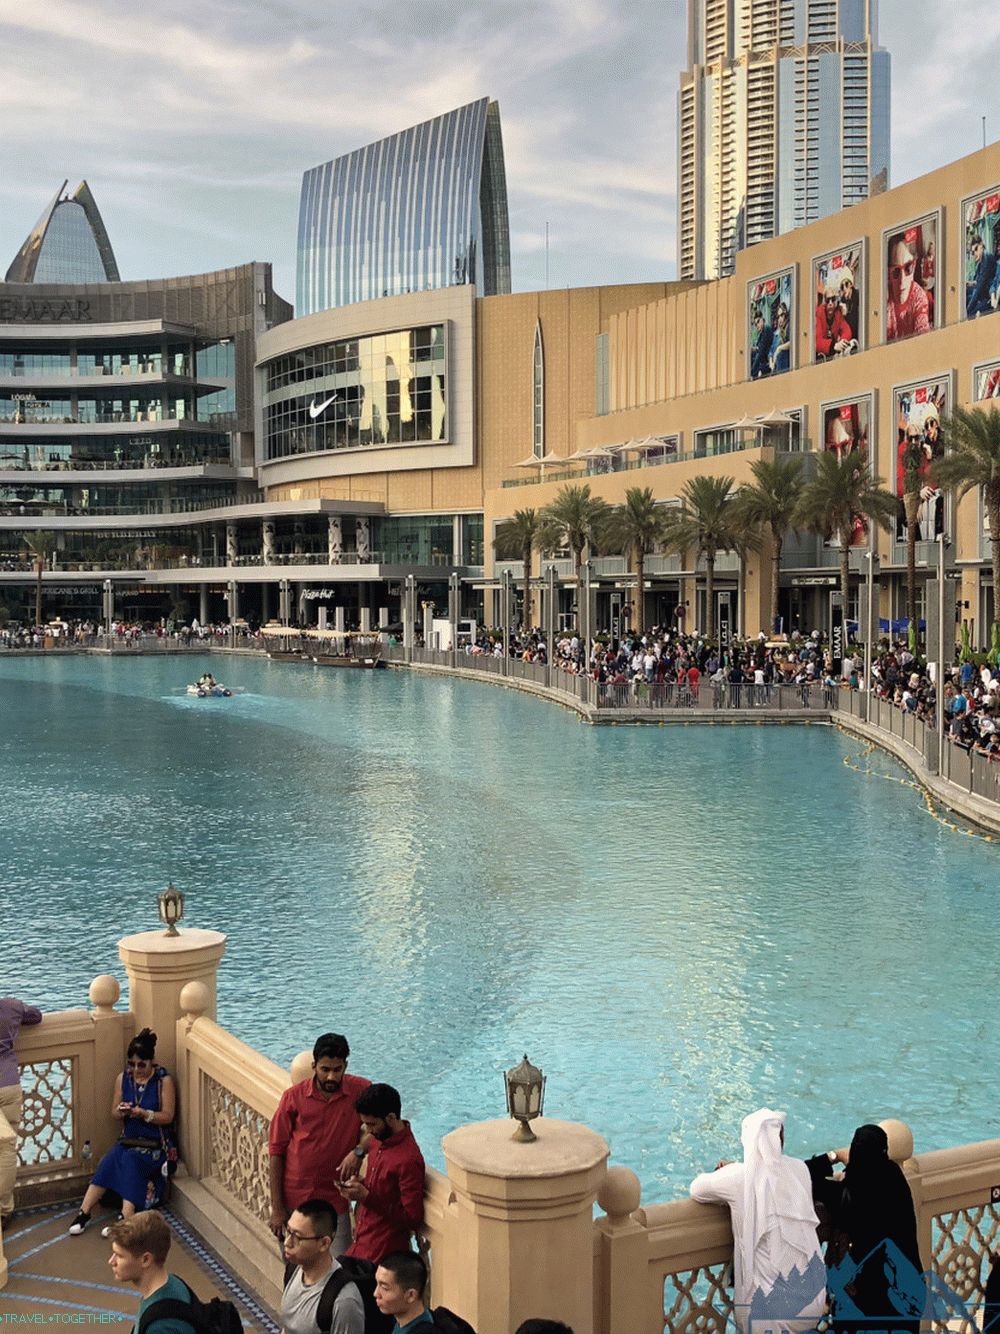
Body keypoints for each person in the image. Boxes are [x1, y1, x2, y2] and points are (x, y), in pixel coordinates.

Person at [690, 1108, 826, 1334]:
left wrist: (732, 1168)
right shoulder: (800, 1169)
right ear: (780, 1140)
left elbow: (697, 1190)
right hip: (814, 1301)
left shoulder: (738, 1177)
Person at [806, 1124, 923, 1334]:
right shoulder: (895, 1179)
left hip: (863, 1302)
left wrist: (836, 1155)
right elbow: (874, 1172)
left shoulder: (845, 1197)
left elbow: (803, 1174)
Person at [269, 1032, 371, 1255]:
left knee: (337, 1267)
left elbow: (385, 1123)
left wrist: (359, 1151)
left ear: (346, 1065)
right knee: (294, 1265)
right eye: (325, 1069)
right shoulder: (293, 1098)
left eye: (337, 1069)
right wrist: (277, 1209)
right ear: (314, 1066)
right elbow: (276, 1151)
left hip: (335, 1199)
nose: (331, 1077)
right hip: (295, 1197)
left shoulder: (360, 1091)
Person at [69, 1027, 176, 1235]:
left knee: (132, 1161)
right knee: (111, 1160)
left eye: (141, 1065)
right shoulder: (123, 1079)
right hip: (128, 1140)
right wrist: (123, 1111)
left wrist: (144, 1114)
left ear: (151, 1061)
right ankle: (84, 1212)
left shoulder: (163, 1081)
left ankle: (126, 1216)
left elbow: (168, 1116)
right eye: (132, 1064)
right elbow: (114, 1113)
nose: (136, 1069)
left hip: (154, 1145)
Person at [340, 1084, 425, 1264]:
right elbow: (382, 1188)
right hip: (361, 1243)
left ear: (391, 1118)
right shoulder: (378, 1140)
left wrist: (366, 1196)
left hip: (381, 1255)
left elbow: (412, 1218)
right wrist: (361, 1180)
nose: (368, 1130)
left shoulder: (408, 1159)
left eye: (372, 1124)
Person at [282, 1198, 365, 1334]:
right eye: (288, 1231)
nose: (287, 1242)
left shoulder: (344, 1302)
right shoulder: (293, 1270)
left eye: (297, 1237)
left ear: (324, 1243)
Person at [107, 1212, 194, 1334]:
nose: (111, 1261)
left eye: (120, 1256)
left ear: (146, 1260)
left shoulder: (159, 1327)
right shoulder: (174, 1282)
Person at [0, 995, 42, 1224]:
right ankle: (4, 1210)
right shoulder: (12, 1006)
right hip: (9, 1085)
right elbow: (36, 1016)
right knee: (6, 1150)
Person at [886, 233, 930, 341]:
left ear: (914, 266)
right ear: (888, 274)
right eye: (896, 271)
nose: (902, 280)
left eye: (908, 268)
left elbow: (923, 333)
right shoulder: (884, 298)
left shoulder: (919, 297)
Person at [375, 1250, 433, 1331]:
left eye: (385, 1288)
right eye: (377, 1284)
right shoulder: (401, 1323)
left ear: (411, 1295)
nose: (376, 1294)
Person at [816, 282, 853, 358]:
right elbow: (817, 341)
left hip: (832, 355)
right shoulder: (818, 313)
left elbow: (847, 330)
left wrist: (842, 342)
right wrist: (834, 346)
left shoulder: (838, 313)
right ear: (824, 302)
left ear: (836, 301)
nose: (830, 303)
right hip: (819, 357)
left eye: (832, 299)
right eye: (827, 300)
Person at [967, 235, 997, 318]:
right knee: (966, 296)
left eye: (976, 249)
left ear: (981, 245)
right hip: (984, 294)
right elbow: (978, 281)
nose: (975, 253)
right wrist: (968, 284)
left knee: (970, 312)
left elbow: (980, 286)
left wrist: (969, 308)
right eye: (973, 252)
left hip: (988, 297)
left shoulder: (986, 258)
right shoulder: (981, 262)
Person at [838, 268, 860, 344]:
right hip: (850, 340)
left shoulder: (858, 295)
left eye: (846, 284)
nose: (844, 288)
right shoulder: (842, 301)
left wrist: (846, 314)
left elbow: (858, 321)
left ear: (851, 284)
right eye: (842, 286)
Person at [750, 311, 773, 380]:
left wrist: (755, 349)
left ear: (762, 319)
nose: (757, 325)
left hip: (766, 356)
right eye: (755, 324)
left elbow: (761, 349)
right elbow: (759, 347)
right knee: (752, 354)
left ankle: (753, 374)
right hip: (763, 356)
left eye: (758, 322)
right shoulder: (761, 332)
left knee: (757, 355)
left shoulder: (766, 328)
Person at [770, 303, 791, 374]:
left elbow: (793, 342)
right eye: (778, 317)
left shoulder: (789, 326)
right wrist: (771, 360)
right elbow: (771, 349)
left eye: (782, 315)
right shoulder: (778, 332)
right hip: (775, 367)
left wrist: (779, 348)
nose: (780, 319)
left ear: (785, 314)